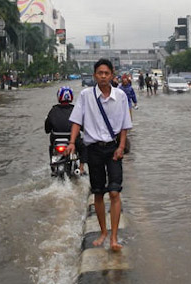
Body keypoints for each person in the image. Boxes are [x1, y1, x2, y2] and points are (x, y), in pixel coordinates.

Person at [67, 58, 132, 252]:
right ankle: (103, 232)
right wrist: (71, 142)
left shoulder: (120, 96)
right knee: (98, 192)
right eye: (100, 73)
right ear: (95, 75)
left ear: (112, 75)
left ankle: (113, 237)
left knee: (114, 191)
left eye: (106, 73)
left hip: (113, 149)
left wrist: (121, 147)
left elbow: (124, 125)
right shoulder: (86, 95)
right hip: (93, 148)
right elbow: (77, 121)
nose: (103, 76)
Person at [45, 86, 86, 175]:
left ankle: (52, 166)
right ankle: (81, 168)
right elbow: (82, 127)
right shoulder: (75, 109)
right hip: (73, 140)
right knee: (84, 148)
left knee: (51, 147)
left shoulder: (53, 110)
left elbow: (47, 129)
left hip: (56, 140)